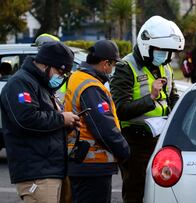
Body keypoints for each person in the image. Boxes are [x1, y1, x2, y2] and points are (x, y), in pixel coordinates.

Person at [110, 15, 184, 203]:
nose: (165, 56)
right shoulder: (126, 67)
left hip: (160, 138)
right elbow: (120, 109)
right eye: (161, 50)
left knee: (161, 187)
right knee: (136, 188)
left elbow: (172, 97)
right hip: (135, 141)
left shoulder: (165, 67)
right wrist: (150, 98)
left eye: (169, 52)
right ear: (147, 46)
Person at [0, 41, 80, 203]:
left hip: (51, 169)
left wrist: (67, 124)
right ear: (45, 65)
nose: (62, 78)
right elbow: (26, 119)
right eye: (60, 71)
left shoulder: (41, 85)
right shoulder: (20, 83)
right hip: (37, 173)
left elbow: (46, 123)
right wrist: (62, 119)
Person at [64, 40, 130, 203]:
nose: (112, 69)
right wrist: (125, 151)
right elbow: (104, 128)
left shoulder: (77, 77)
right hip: (92, 165)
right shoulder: (91, 86)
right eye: (113, 64)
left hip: (80, 160)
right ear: (105, 63)